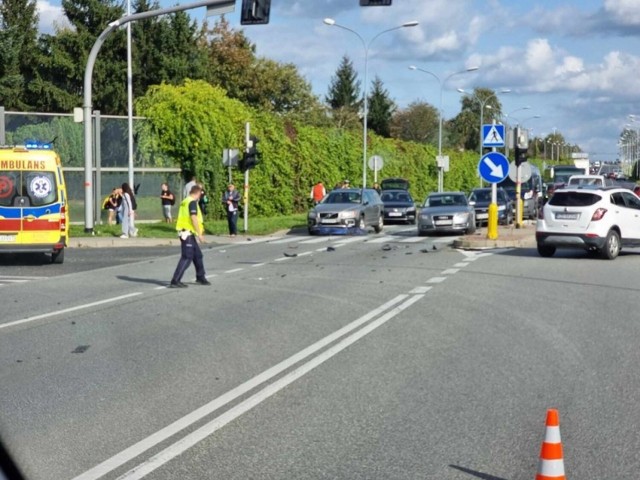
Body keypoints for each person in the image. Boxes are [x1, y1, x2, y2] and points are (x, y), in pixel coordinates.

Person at [169, 184, 210, 288]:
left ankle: (200, 277)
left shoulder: (185, 201)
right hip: (187, 233)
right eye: (200, 195)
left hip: (187, 232)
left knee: (198, 256)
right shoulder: (192, 202)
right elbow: (193, 218)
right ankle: (175, 280)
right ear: (198, 193)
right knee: (187, 257)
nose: (200, 197)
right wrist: (200, 234)